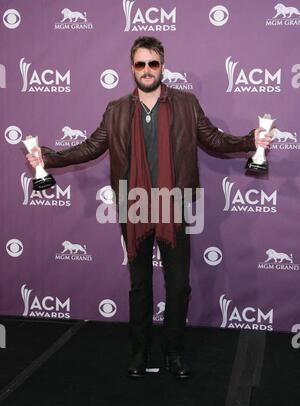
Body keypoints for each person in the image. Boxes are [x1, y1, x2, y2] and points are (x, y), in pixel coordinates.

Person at [26, 36, 272, 379]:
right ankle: (139, 353)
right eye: (140, 64)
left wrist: (251, 141)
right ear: (132, 69)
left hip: (176, 204)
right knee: (139, 285)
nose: (146, 70)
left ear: (162, 67)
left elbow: (215, 140)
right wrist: (48, 157)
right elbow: (89, 148)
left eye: (152, 63)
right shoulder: (116, 110)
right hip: (135, 205)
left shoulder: (186, 104)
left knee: (179, 285)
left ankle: (173, 353)